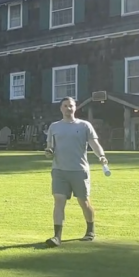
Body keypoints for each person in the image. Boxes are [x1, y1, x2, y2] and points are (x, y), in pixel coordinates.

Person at [44, 96, 109, 247]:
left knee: (84, 202)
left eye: (71, 106)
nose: (68, 108)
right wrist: (48, 152)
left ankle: (90, 230)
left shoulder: (84, 125)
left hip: (79, 170)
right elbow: (50, 147)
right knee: (59, 202)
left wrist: (102, 156)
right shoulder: (54, 127)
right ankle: (57, 237)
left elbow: (94, 143)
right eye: (65, 106)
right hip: (59, 170)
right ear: (61, 109)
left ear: (75, 108)